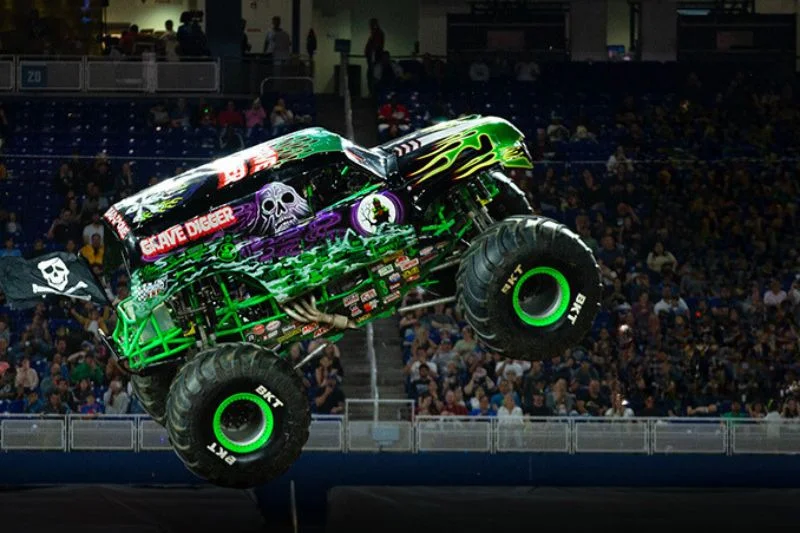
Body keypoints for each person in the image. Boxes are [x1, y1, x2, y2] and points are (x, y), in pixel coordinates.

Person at [364, 18, 385, 95]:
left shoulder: (377, 34)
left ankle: (374, 94)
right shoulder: (375, 33)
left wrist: (372, 58)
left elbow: (375, 47)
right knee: (371, 76)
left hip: (374, 60)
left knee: (373, 76)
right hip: (373, 60)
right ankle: (373, 93)